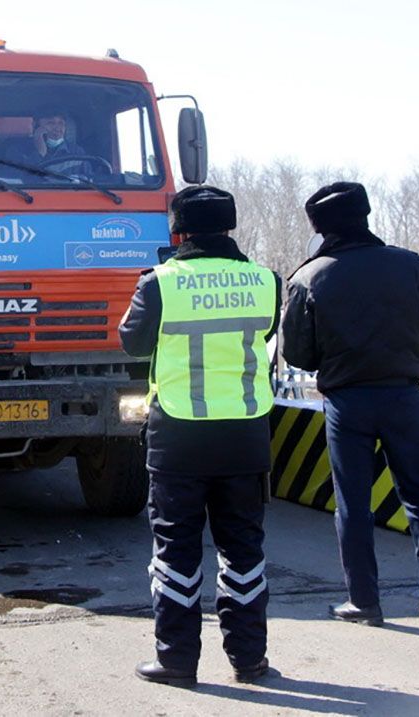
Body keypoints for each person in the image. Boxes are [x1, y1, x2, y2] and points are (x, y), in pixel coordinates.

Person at [119, 185, 281, 687]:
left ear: (178, 230)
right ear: (229, 226)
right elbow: (269, 331)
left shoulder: (159, 284)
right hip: (245, 439)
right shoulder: (265, 281)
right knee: (244, 552)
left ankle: (177, 660)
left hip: (179, 441)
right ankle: (250, 661)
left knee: (176, 552)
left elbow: (132, 343)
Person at [281, 182, 419, 625]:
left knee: (354, 503)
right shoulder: (410, 265)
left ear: (320, 228)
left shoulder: (310, 276)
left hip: (347, 400)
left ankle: (365, 601)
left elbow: (298, 354)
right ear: (365, 215)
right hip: (403, 394)